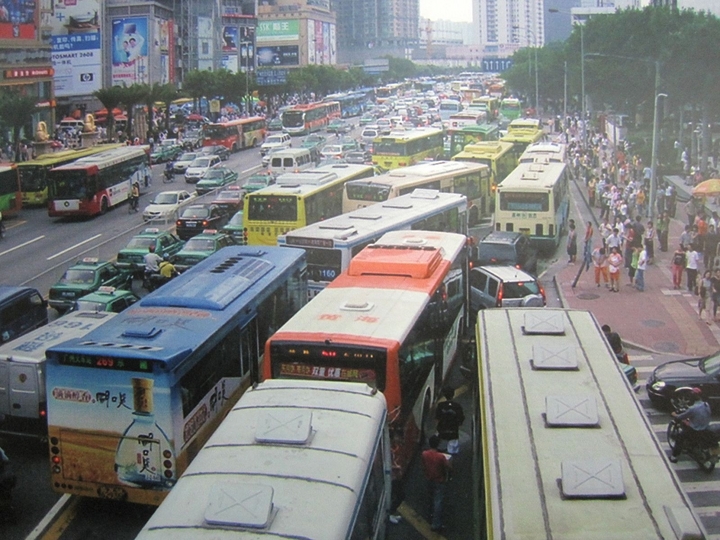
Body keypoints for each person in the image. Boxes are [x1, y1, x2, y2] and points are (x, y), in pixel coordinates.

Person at [670, 387, 711, 462]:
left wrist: (675, 415)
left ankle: (674, 457)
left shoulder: (693, 409)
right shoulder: (706, 405)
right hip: (705, 428)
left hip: (694, 430)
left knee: (680, 438)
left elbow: (681, 417)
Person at [421, 435, 451, 532]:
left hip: (428, 479)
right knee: (438, 501)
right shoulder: (441, 457)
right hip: (439, 480)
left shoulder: (424, 454)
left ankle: (429, 515)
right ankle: (436, 524)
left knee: (430, 497)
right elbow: (448, 467)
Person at [435, 387, 465, 455]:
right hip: (453, 433)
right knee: (452, 453)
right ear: (453, 395)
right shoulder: (457, 406)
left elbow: (437, 419)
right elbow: (461, 420)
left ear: (444, 395)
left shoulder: (440, 405)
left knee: (440, 452)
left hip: (442, 432)